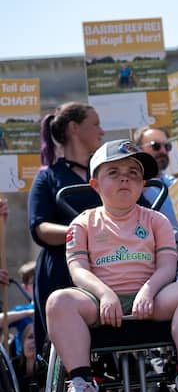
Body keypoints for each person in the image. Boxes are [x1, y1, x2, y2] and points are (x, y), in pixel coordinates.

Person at [46, 139, 178, 392]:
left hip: (151, 299)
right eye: (114, 172)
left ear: (143, 184)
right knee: (58, 302)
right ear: (95, 184)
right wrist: (104, 294)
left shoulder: (157, 220)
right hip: (98, 302)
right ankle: (81, 381)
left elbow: (167, 266)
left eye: (133, 173)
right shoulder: (82, 224)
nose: (125, 178)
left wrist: (148, 291)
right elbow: (78, 270)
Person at [28, 102, 105, 353]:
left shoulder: (109, 173)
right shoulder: (47, 177)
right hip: (62, 271)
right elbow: (40, 227)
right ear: (74, 128)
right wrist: (84, 231)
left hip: (111, 266)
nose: (102, 131)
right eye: (96, 124)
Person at [133, 127, 178, 226]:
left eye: (167, 146)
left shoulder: (175, 182)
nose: (163, 151)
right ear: (139, 150)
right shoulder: (132, 189)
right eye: (156, 146)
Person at [12, 323, 39, 392]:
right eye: (30, 337)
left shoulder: (47, 372)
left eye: (37, 338)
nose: (34, 341)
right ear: (23, 342)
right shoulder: (12, 367)